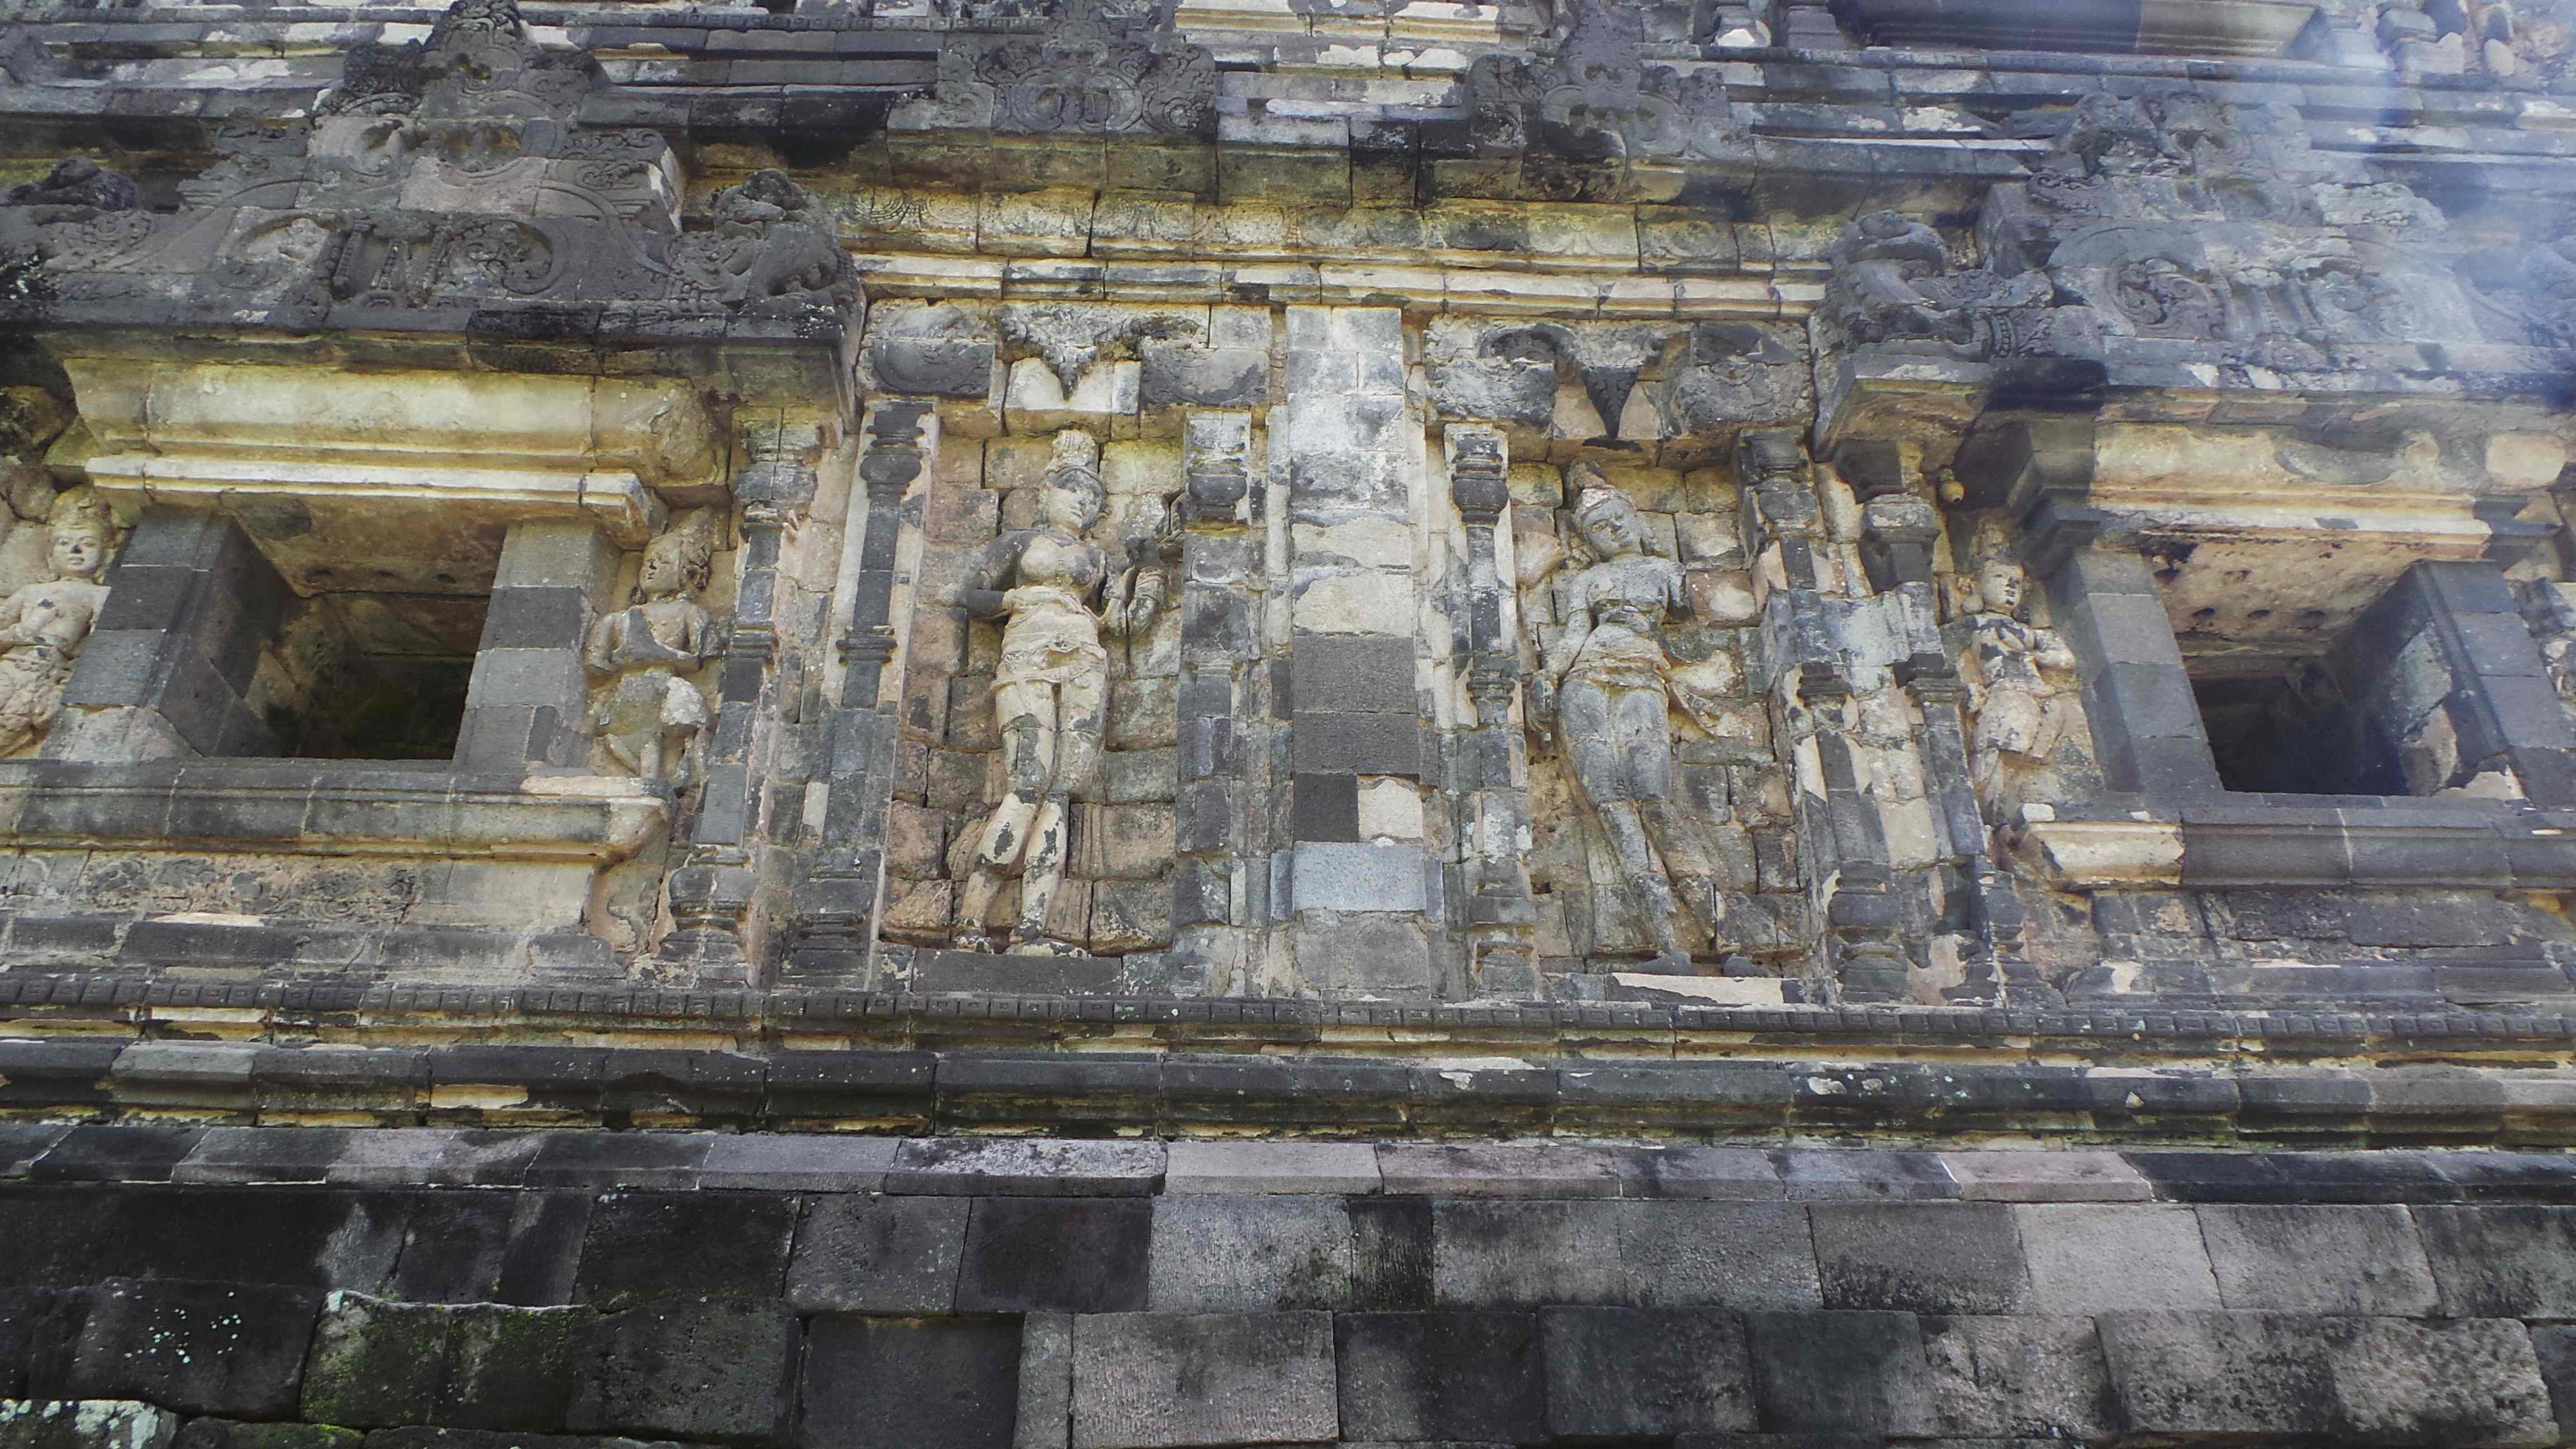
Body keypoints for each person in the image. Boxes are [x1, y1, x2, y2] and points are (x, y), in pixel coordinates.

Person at [952, 429, 1161, 956]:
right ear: (1047, 492)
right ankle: (970, 922)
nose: (1081, 503)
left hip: (1085, 661)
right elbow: (972, 598)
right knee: (1028, 783)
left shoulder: (1097, 558)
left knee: (1061, 791)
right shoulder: (1019, 542)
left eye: (1092, 498)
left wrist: (1152, 569)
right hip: (1028, 655)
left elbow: (1126, 622)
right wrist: (1017, 599)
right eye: (1072, 490)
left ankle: (1032, 930)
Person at [1530, 469, 1726, 974]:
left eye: (1618, 518)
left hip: (1643, 677)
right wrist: (1549, 676)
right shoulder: (1588, 580)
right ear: (1588, 542)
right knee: (1611, 805)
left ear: (1635, 518)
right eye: (1600, 527)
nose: (1613, 530)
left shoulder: (1665, 572)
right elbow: (1574, 635)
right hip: (1586, 680)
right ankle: (1664, 941)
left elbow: (1699, 627)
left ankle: (1724, 934)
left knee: (1654, 798)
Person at [585, 511, 720, 785]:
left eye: (663, 562)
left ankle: (668, 778)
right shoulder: (618, 619)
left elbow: (698, 658)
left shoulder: (689, 613)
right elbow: (597, 664)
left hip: (664, 683)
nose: (651, 568)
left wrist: (654, 653)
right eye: (648, 562)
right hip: (625, 688)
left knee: (664, 731)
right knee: (597, 730)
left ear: (689, 573)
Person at [1959, 528, 2077, 807]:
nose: (2010, 586)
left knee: (2032, 750)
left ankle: (2014, 803)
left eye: (2017, 581)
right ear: (1975, 584)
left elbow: (2066, 659)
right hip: (2004, 693)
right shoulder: (1974, 625)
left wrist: (2032, 655)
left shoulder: (2027, 633)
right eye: (2000, 577)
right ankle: (1992, 808)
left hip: (2039, 697)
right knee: (1996, 751)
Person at [0, 489, 113, 756]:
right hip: (11, 664)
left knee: (16, 723)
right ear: (50, 556)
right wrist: (24, 630)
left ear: (106, 556)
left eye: (88, 544)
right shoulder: (30, 592)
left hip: (49, 673)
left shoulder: (99, 595)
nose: (75, 550)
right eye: (64, 543)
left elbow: (100, 645)